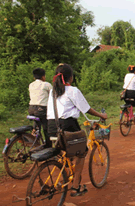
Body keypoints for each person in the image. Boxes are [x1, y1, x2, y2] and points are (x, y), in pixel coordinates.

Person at [47, 63, 107, 197]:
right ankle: (76, 186)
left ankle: (67, 169)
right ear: (71, 77)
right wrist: (101, 115)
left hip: (51, 126)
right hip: (67, 126)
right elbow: (87, 109)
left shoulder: (53, 91)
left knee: (67, 148)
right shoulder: (73, 90)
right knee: (82, 152)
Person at [28, 68, 53, 148]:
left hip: (31, 108)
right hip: (41, 109)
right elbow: (53, 97)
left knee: (37, 126)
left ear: (34, 77)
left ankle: (34, 139)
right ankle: (48, 146)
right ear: (43, 77)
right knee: (47, 127)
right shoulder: (47, 85)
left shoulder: (31, 85)